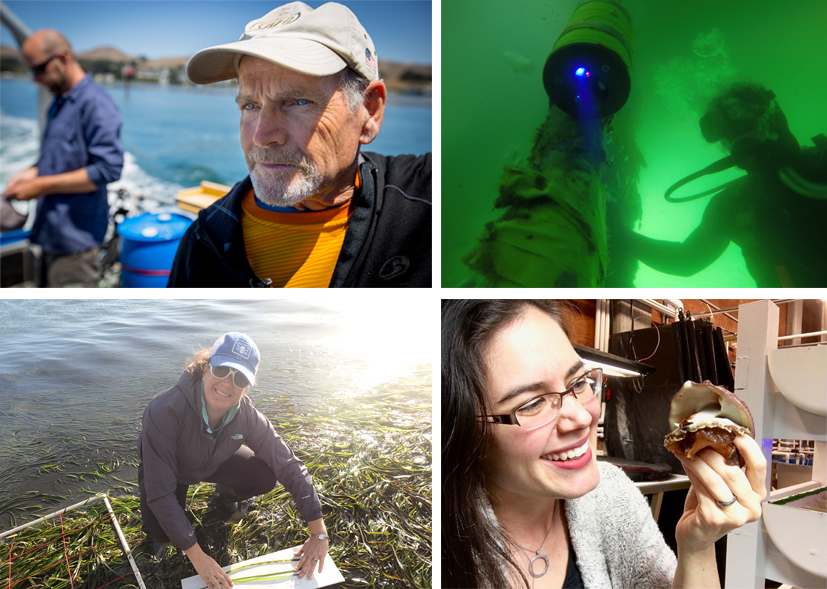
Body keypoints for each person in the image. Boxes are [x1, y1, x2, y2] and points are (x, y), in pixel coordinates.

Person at [442, 299, 766, 589]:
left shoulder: (610, 494)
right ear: (460, 429)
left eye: (579, 382)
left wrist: (696, 546)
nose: (582, 417)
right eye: (531, 404)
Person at [168, 2, 432, 288]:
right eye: (250, 105)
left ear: (369, 111)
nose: (262, 135)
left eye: (299, 102)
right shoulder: (204, 240)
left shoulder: (427, 197)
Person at [138, 333, 329, 587]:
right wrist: (197, 556)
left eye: (239, 378)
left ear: (247, 388)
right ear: (205, 369)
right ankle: (162, 531)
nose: (227, 384)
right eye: (221, 370)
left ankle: (222, 498)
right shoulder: (164, 409)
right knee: (162, 531)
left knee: (263, 475)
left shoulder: (247, 415)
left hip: (211, 462)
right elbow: (160, 493)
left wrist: (318, 532)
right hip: (170, 470)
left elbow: (287, 464)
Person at [620, 82, 827, 287]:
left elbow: (686, 261)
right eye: (727, 132)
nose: (738, 138)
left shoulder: (821, 164)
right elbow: (686, 260)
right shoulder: (732, 203)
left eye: (744, 123)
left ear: (773, 120)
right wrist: (620, 235)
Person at [2, 29, 123, 287]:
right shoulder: (58, 102)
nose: (35, 79)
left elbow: (109, 169)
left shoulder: (96, 104)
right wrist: (31, 172)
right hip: (49, 235)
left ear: (63, 58)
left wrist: (40, 185)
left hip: (76, 246)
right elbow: (57, 157)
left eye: (39, 69)